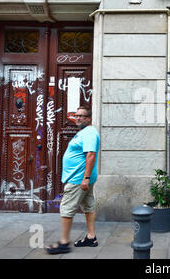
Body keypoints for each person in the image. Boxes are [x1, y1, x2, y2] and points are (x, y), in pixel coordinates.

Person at [46, 105, 100, 254]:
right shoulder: (84, 132)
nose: (78, 118)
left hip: (78, 179)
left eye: (81, 116)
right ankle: (91, 237)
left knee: (66, 208)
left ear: (88, 118)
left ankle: (63, 243)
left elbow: (91, 155)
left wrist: (85, 179)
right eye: (76, 115)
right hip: (82, 179)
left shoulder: (89, 133)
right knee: (88, 206)